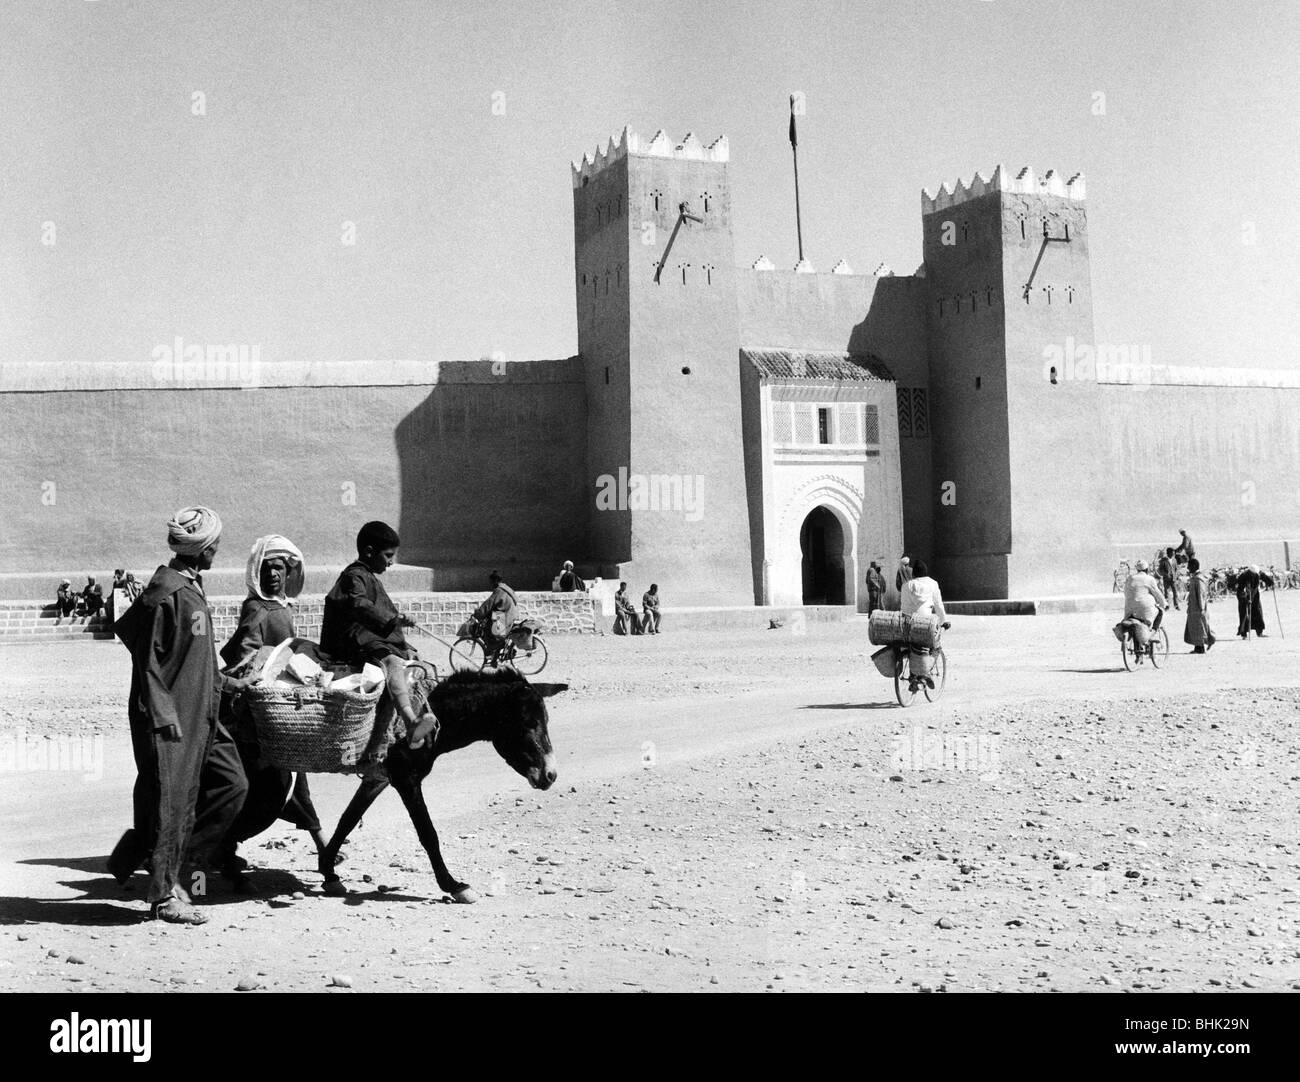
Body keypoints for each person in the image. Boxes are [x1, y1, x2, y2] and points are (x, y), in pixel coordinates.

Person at [108, 506, 251, 924]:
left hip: (204, 713)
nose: (217, 551)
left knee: (232, 784)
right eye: (214, 545)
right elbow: (146, 660)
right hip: (172, 719)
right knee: (173, 803)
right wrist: (163, 711)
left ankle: (153, 853)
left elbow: (196, 659)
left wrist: (228, 684)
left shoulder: (192, 587)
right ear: (200, 548)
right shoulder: (166, 592)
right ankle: (164, 896)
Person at [211, 535, 327, 883]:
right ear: (256, 571)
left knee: (291, 776)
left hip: (278, 704)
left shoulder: (280, 606)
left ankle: (323, 844)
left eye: (278, 568)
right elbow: (245, 653)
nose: (273, 574)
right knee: (267, 781)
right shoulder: (258, 608)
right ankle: (225, 846)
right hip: (258, 712)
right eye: (266, 568)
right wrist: (262, 668)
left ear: (289, 571)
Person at [320, 521, 436, 744]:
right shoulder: (354, 578)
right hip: (349, 643)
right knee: (392, 662)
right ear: (369, 552)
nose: (392, 562)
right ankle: (410, 721)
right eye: (388, 555)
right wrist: (394, 621)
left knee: (413, 660)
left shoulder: (368, 577)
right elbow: (359, 605)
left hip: (364, 639)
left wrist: (402, 638)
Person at [899, 559, 949, 689]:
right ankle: (925, 673)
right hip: (926, 623)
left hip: (907, 623)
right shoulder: (933, 584)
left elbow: (903, 606)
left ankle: (913, 675)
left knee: (911, 646)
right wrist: (944, 621)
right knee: (935, 645)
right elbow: (938, 605)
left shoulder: (906, 586)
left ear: (914, 574)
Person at [472, 570, 520, 660]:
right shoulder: (505, 588)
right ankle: (497, 652)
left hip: (505, 617)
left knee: (488, 630)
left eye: (491, 582)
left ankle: (495, 653)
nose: (490, 584)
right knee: (493, 628)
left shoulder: (499, 591)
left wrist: (477, 614)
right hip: (508, 615)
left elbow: (488, 604)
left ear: (495, 581)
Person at [1120, 559, 1167, 648]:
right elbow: (1158, 594)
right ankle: (1150, 635)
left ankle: (1135, 646)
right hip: (1144, 609)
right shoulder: (1150, 579)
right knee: (1160, 612)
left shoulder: (1130, 578)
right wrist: (1164, 603)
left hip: (1130, 609)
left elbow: (1126, 592)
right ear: (1147, 570)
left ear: (1137, 570)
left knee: (1134, 624)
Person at [1183, 558, 1215, 654]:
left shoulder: (1198, 579)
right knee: (1196, 627)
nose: (1188, 568)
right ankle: (1198, 647)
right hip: (1194, 607)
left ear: (1193, 566)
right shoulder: (1195, 578)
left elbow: (1201, 594)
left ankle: (1200, 648)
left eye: (1189, 566)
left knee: (1199, 627)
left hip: (1198, 608)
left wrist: (1201, 608)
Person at [1236, 564, 1266, 639]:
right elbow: (1240, 589)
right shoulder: (1243, 576)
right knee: (1244, 614)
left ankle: (1259, 632)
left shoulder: (1258, 573)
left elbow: (1265, 577)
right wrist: (1245, 598)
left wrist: (1270, 582)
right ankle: (1244, 633)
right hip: (1244, 596)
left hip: (1255, 595)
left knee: (1257, 611)